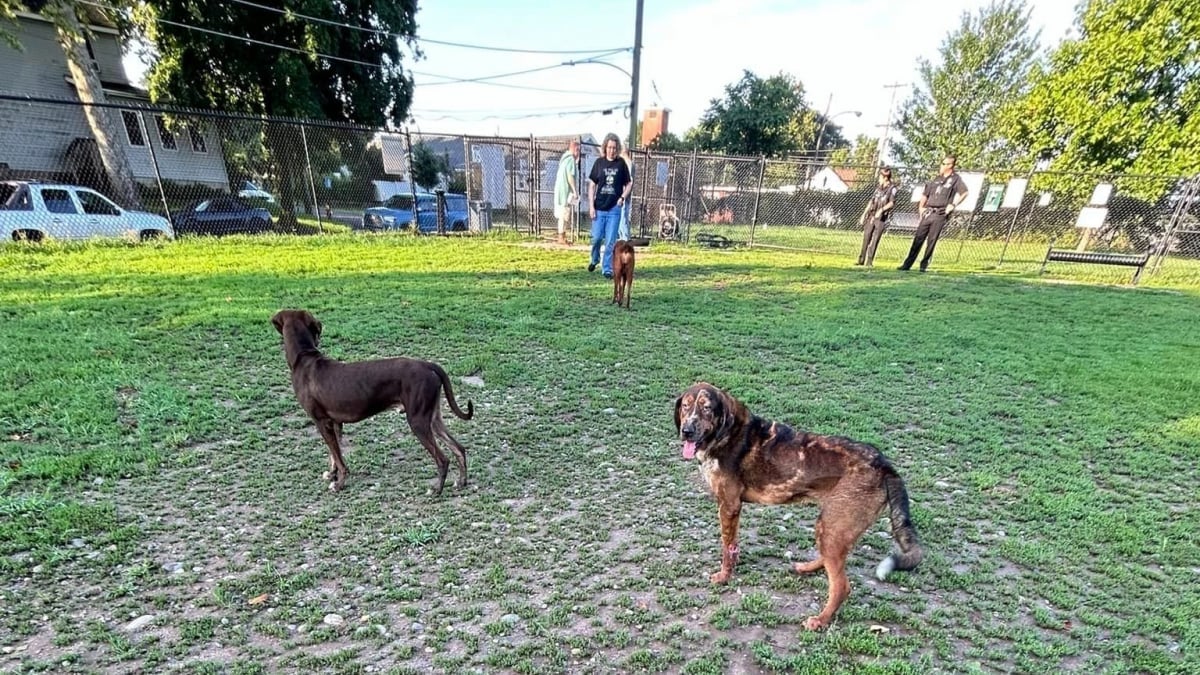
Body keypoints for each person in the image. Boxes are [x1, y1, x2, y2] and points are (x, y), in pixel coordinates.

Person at [898, 154, 969, 272]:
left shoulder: (956, 179)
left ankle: (923, 265)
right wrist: (921, 207)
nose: (941, 166)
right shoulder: (936, 179)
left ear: (950, 165)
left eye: (944, 163)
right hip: (928, 212)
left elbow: (965, 192)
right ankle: (907, 264)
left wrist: (953, 205)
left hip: (940, 214)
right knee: (918, 238)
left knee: (931, 240)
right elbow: (925, 194)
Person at [588, 133, 632, 278]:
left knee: (610, 241)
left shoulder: (621, 164)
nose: (612, 150)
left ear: (617, 148)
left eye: (614, 148)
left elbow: (629, 183)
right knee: (596, 238)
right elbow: (592, 185)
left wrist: (622, 197)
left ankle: (606, 268)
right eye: (609, 147)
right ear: (605, 147)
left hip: (614, 209)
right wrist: (591, 206)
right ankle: (595, 259)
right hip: (599, 208)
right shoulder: (599, 163)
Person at [856, 167, 899, 267]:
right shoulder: (878, 188)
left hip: (881, 218)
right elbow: (871, 201)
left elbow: (892, 203)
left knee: (875, 239)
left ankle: (869, 261)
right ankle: (861, 259)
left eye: (880, 177)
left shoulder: (892, 189)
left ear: (885, 178)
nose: (879, 179)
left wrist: (882, 209)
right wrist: (864, 214)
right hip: (872, 215)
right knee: (866, 237)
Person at [553, 139, 581, 245]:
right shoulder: (570, 160)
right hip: (565, 192)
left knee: (563, 214)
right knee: (563, 215)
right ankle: (561, 236)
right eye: (577, 150)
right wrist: (575, 191)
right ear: (573, 149)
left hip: (560, 191)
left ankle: (562, 235)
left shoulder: (564, 159)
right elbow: (570, 177)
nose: (578, 153)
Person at [618, 147, 635, 241]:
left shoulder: (627, 163)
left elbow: (628, 180)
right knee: (624, 213)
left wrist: (623, 193)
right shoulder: (630, 163)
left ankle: (624, 237)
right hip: (626, 193)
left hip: (624, 193)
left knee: (623, 214)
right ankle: (624, 236)